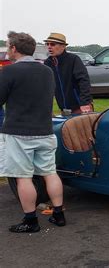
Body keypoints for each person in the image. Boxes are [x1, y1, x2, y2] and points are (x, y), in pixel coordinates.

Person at [0, 31, 66, 233]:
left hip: (19, 131)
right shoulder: (46, 71)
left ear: (14, 48)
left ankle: (30, 220)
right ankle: (58, 214)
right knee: (50, 173)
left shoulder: (10, 72)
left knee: (23, 177)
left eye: (8, 46)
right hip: (45, 130)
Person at [43, 32, 93, 115]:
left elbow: (84, 81)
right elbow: (47, 87)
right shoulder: (48, 63)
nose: (49, 47)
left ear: (63, 46)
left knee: (83, 127)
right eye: (47, 44)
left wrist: (84, 103)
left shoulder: (73, 59)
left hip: (80, 107)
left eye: (52, 44)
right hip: (63, 108)